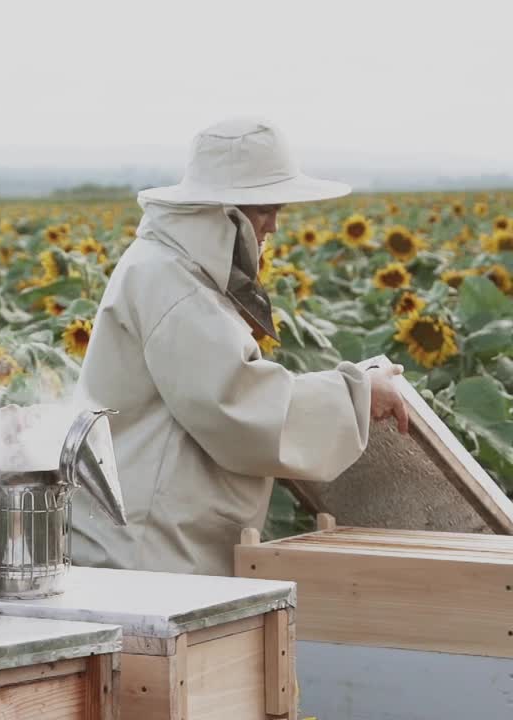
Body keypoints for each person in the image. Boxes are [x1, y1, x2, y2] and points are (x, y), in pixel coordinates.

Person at [70, 117, 410, 577]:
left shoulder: (174, 266)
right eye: (263, 207)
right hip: (146, 549)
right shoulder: (173, 281)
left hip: (150, 537)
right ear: (221, 209)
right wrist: (359, 392)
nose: (273, 223)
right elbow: (236, 403)